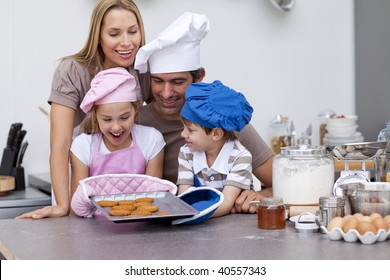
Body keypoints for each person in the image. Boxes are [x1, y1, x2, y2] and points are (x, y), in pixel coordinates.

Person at [17, 0, 149, 219]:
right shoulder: (72, 71)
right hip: (79, 181)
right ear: (98, 35)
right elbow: (60, 145)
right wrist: (63, 205)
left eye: (133, 32)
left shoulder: (143, 69)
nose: (126, 43)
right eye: (114, 34)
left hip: (126, 181)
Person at [134, 12, 274, 214]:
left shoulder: (225, 121)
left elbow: (282, 183)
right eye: (157, 81)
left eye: (177, 82)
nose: (165, 93)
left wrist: (263, 195)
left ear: (199, 77)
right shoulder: (136, 121)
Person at [70, 67, 165, 197]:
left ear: (136, 109)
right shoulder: (83, 146)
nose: (116, 127)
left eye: (124, 117)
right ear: (95, 115)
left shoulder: (151, 140)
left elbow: (154, 198)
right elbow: (78, 205)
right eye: (107, 119)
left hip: (142, 217)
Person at [177, 80, 254, 217]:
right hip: (199, 223)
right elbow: (185, 196)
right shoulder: (187, 152)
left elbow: (226, 203)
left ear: (216, 134)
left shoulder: (240, 158)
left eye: (190, 129)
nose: (183, 134)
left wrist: (190, 216)